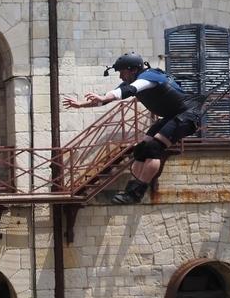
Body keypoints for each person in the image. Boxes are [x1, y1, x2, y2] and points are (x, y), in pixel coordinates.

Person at [62, 52, 200, 204]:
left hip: (187, 115)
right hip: (171, 117)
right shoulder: (133, 81)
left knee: (154, 147)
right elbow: (109, 97)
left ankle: (136, 193)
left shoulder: (150, 77)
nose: (121, 77)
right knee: (141, 150)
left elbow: (130, 90)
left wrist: (106, 97)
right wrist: (81, 104)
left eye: (122, 72)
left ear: (133, 70)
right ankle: (133, 189)